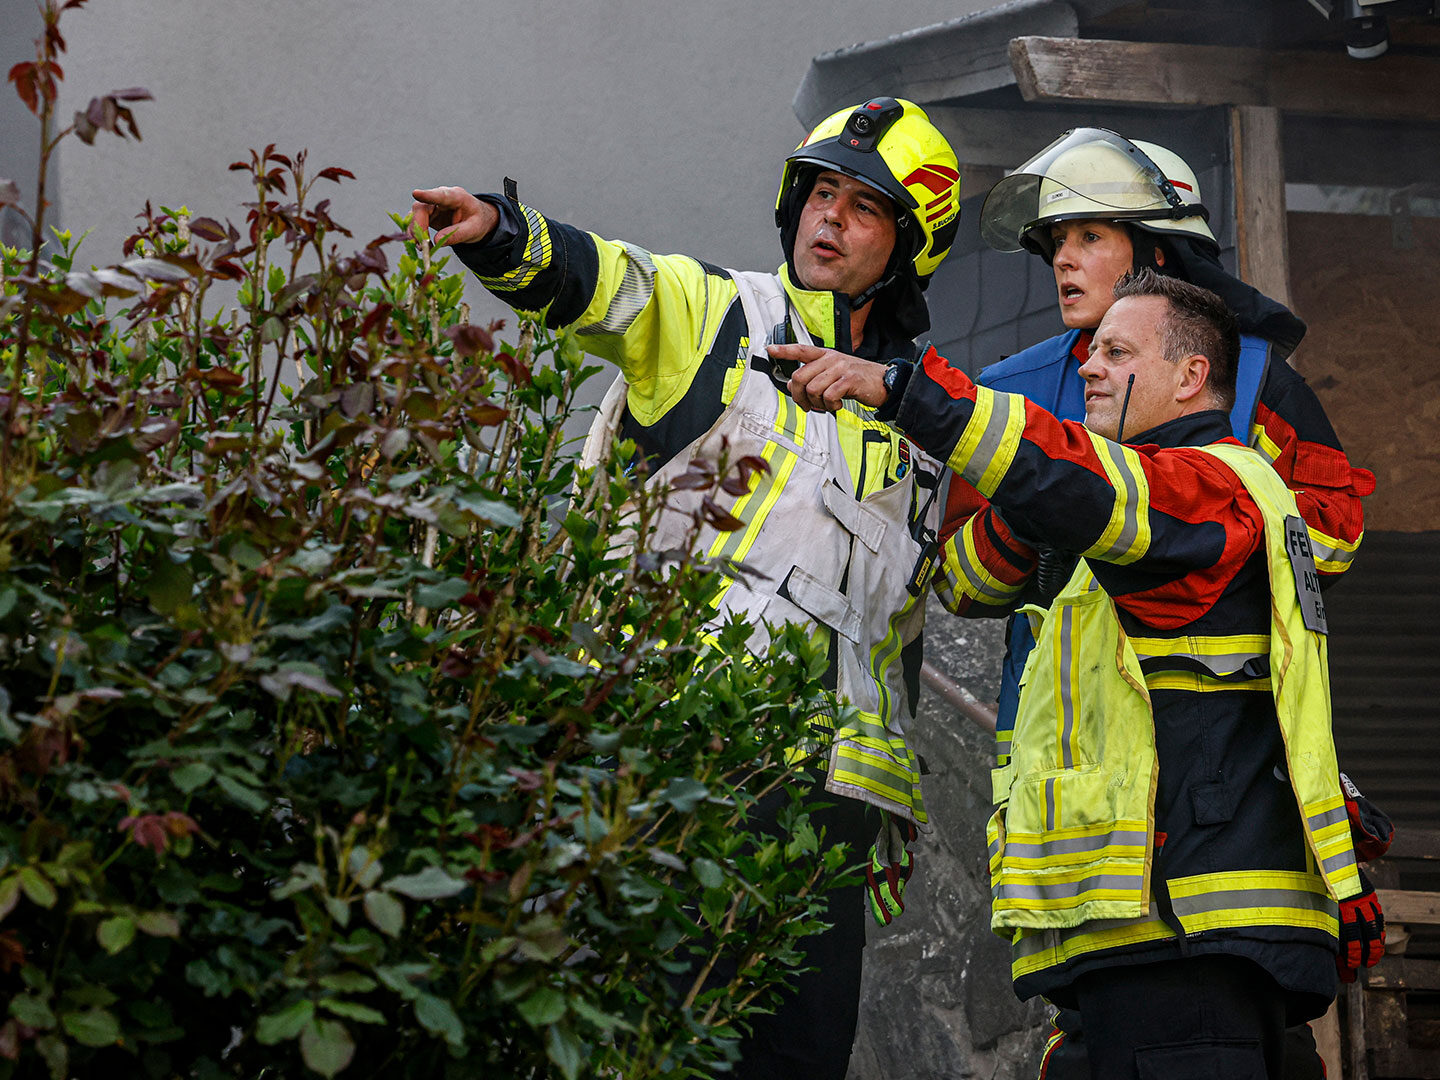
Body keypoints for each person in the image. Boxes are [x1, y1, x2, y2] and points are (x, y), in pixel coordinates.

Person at [410, 97, 962, 1080]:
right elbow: (605, 281)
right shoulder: (718, 313)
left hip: (825, 819)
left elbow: (901, 636)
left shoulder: (929, 425)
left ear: (913, 245)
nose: (828, 218)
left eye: (865, 207)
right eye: (819, 193)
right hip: (676, 775)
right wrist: (504, 236)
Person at [771, 269, 1366, 1080]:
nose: (1087, 366)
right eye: (1091, 351)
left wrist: (903, 391)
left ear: (1192, 376)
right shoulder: (1150, 514)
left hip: (1186, 943)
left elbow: (1080, 477)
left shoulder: (1208, 485)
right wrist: (1029, 502)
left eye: (1117, 353)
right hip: (1148, 944)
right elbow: (969, 577)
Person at [950, 128, 1385, 1077]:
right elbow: (964, 573)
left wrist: (1205, 512)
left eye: (1087, 236)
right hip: (1071, 783)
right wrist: (1051, 500)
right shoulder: (1016, 389)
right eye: (1052, 244)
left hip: (1210, 801)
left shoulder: (1255, 380)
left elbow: (1332, 537)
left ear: (1153, 252)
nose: (1061, 258)